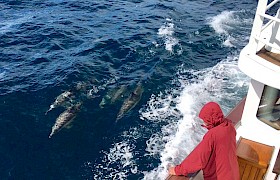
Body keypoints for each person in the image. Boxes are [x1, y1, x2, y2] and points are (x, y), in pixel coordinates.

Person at [168, 102, 239, 180]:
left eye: (205, 119)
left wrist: (177, 170)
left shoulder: (212, 135)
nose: (204, 123)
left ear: (210, 118)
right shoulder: (229, 126)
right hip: (233, 174)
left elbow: (198, 158)